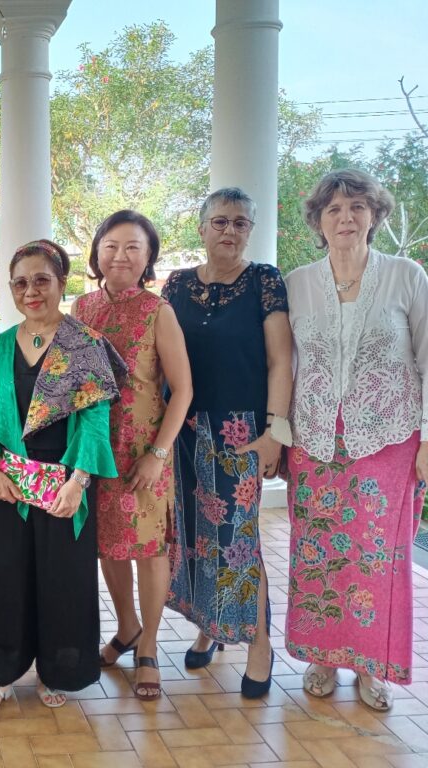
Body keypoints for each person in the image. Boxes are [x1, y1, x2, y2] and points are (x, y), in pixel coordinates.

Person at [284, 169, 428, 712]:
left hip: (388, 440)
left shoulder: (406, 276)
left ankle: (372, 664)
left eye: (357, 207)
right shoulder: (297, 282)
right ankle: (323, 656)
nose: (346, 217)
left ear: (375, 214)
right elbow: (286, 363)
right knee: (317, 553)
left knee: (376, 556)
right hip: (315, 439)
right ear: (319, 222)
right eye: (334, 209)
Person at [0, 239, 124, 724]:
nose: (31, 291)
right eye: (20, 283)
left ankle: (58, 669)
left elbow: (96, 421)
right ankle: (2, 674)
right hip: (9, 487)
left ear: (61, 283)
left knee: (63, 580)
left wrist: (78, 482)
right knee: (8, 581)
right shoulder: (1, 345)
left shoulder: (85, 344)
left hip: (65, 483)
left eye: (41, 280)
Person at [162, 188, 292, 698]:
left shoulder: (264, 281)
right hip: (183, 428)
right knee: (194, 538)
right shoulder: (176, 285)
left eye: (240, 222)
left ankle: (260, 644)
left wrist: (274, 432)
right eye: (219, 221)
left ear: (250, 231)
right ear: (201, 228)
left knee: (239, 541)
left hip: (240, 433)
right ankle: (209, 627)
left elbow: (281, 361)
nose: (229, 231)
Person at [72, 210, 192, 700]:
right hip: (95, 448)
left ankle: (149, 646)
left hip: (144, 450)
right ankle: (126, 627)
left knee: (148, 548)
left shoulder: (158, 311)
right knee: (108, 544)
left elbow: (183, 390)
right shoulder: (82, 308)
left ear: (148, 257)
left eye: (133, 247)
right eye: (111, 246)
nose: (120, 256)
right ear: (97, 254)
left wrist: (158, 454)